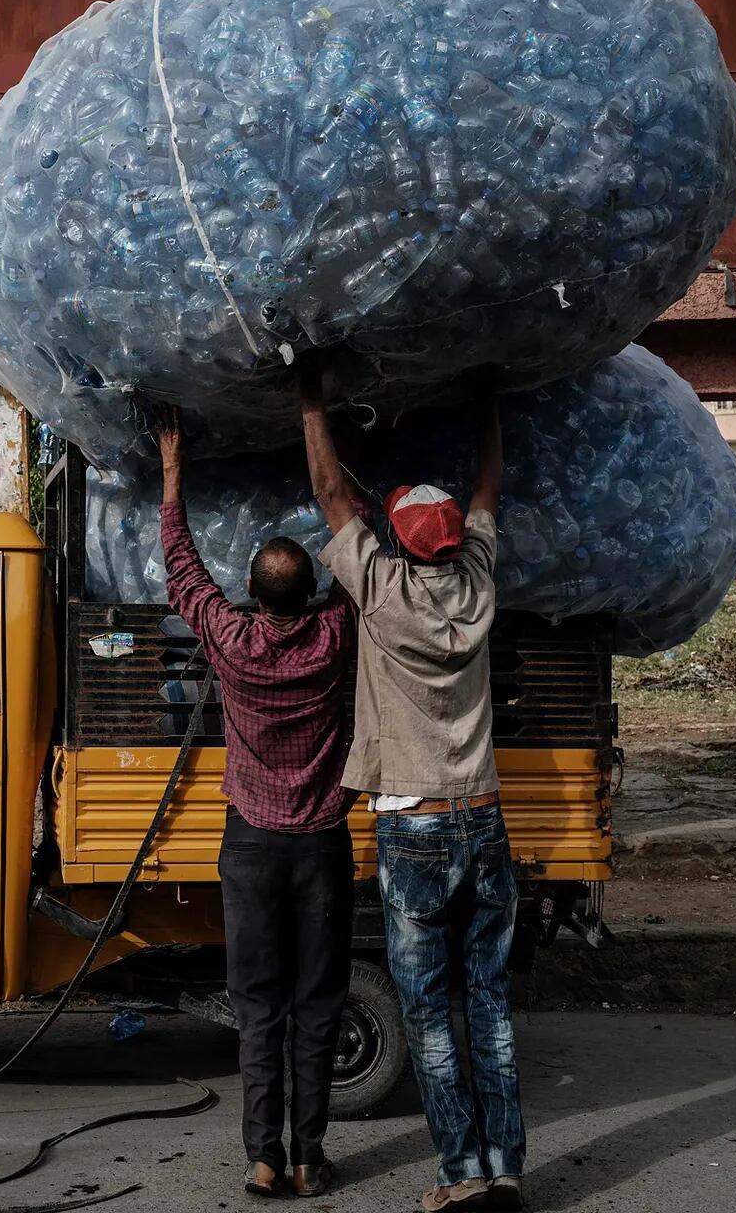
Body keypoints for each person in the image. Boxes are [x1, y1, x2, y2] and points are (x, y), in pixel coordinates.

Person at [299, 362, 523, 1213]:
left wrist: (313, 399)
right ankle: (505, 1167)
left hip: (416, 826)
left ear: (395, 539)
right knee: (491, 1004)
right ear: (457, 539)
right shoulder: (480, 583)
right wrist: (490, 408)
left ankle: (460, 1178)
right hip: (484, 818)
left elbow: (328, 491)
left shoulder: (382, 590)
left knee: (428, 1011)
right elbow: (492, 487)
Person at [153, 406, 357, 1200]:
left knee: (259, 1005)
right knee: (318, 1002)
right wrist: (341, 451)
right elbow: (360, 558)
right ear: (311, 595)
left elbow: (180, 567)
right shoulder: (333, 637)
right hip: (320, 847)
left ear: (251, 594)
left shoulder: (230, 642)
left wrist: (174, 465)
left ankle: (262, 1158)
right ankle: (310, 1156)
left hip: (250, 846)